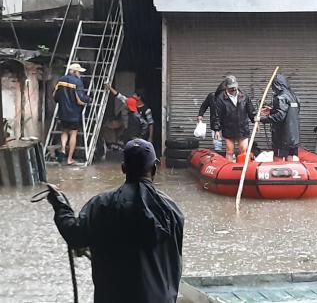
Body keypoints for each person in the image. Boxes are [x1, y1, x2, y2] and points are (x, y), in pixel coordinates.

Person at [46, 138, 184, 303]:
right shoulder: (172, 211)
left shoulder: (101, 205)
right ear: (154, 169)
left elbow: (75, 235)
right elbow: (174, 263)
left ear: (123, 168)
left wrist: (60, 205)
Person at [53, 63, 90, 165]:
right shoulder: (77, 82)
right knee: (73, 133)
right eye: (79, 72)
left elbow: (55, 97)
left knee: (64, 132)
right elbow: (80, 99)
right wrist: (89, 100)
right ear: (75, 71)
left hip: (62, 112)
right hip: (74, 113)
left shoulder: (61, 80)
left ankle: (63, 149)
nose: (80, 74)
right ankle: (69, 159)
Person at [214, 76, 257, 161]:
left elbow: (251, 110)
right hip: (228, 128)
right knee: (229, 151)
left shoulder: (244, 95)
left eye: (235, 87)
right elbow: (217, 115)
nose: (233, 89)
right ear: (226, 87)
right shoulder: (220, 98)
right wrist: (216, 129)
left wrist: (255, 121)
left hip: (242, 128)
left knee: (243, 151)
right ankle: (228, 170)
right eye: (231, 87)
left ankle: (243, 170)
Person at [260, 74, 300, 161]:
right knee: (290, 157)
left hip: (282, 137)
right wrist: (272, 110)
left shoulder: (280, 97)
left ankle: (280, 175)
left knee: (278, 158)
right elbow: (292, 112)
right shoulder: (294, 96)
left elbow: (280, 116)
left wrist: (262, 119)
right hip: (293, 136)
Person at [197, 74, 235, 151]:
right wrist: (200, 115)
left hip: (229, 123)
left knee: (230, 143)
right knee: (217, 142)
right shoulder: (212, 96)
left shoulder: (232, 98)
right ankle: (219, 156)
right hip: (215, 123)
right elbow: (204, 106)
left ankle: (230, 157)